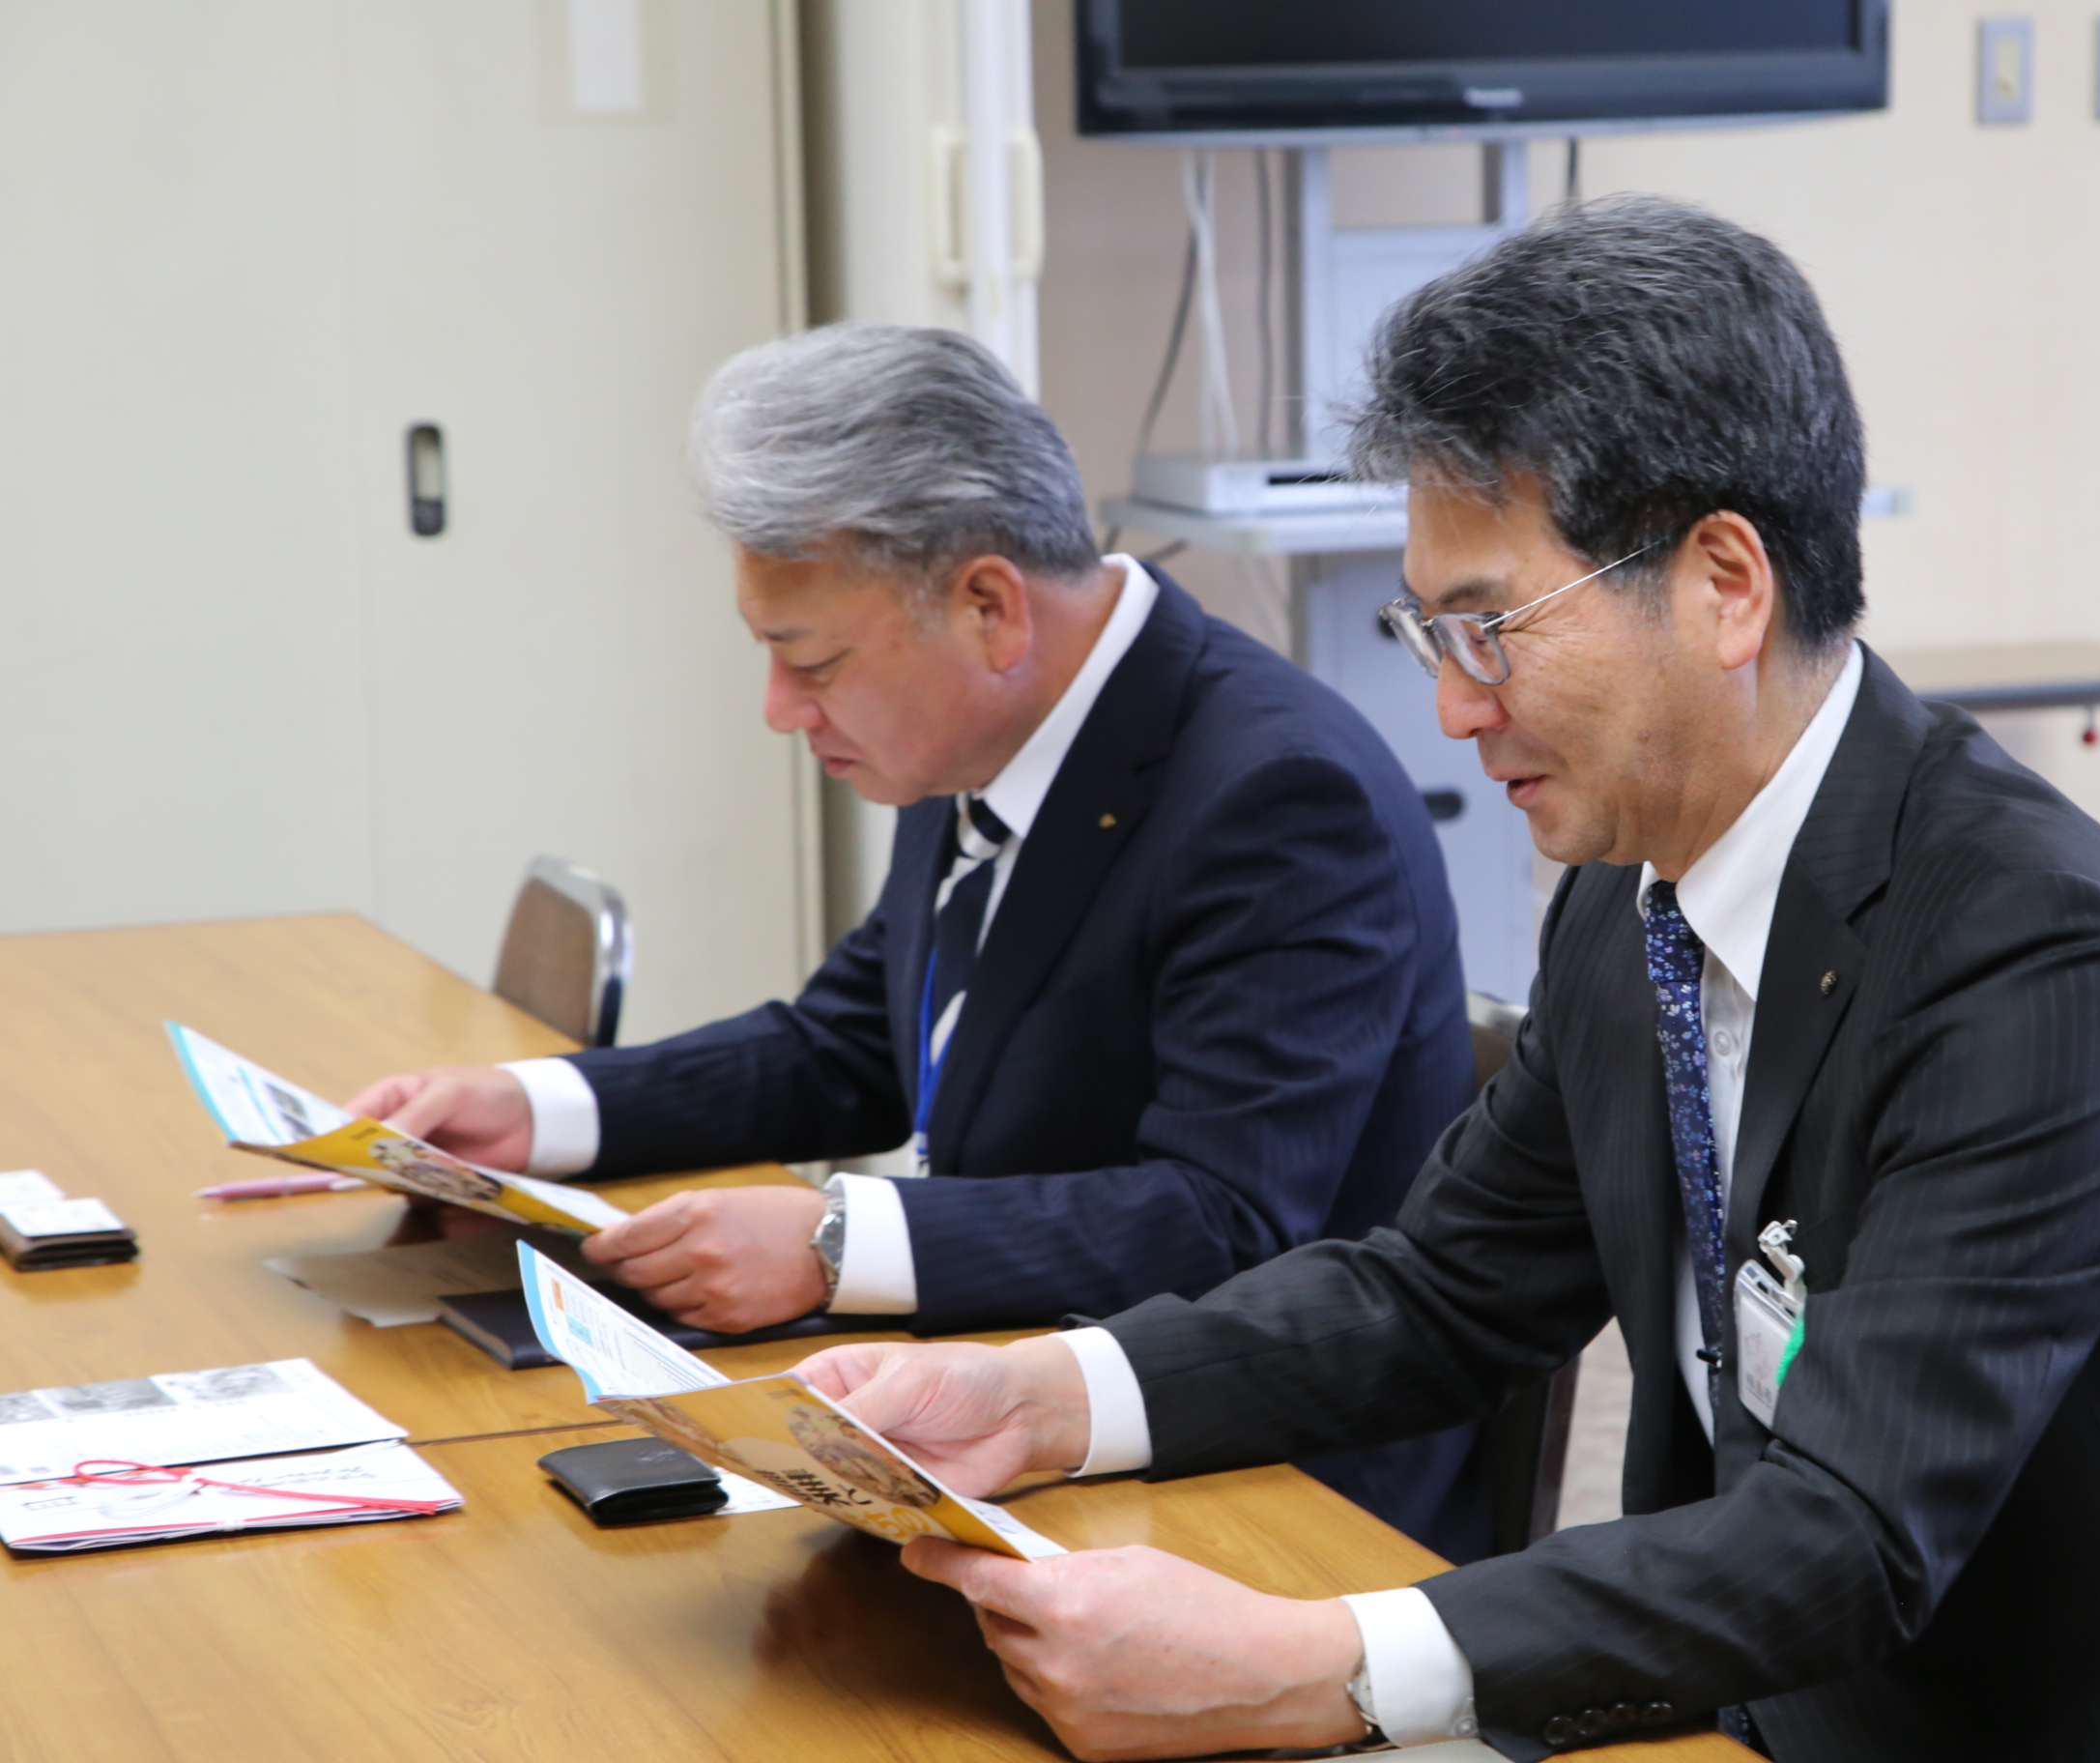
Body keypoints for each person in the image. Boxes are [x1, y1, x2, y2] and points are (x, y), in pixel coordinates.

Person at [788, 199, 2100, 1763]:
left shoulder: (2037, 953)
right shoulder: (1631, 892)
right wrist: (1038, 1395)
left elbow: (1852, 1531)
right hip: (1777, 1696)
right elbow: (1436, 1292)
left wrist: (1316, 1662)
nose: (1453, 707)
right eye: (1429, 636)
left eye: (1489, 626)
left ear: (1724, 583)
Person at [346, 324, 1484, 1556]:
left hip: (1270, 1495)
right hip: (1003, 1396)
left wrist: (834, 1244)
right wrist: (538, 1108)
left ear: (989, 606)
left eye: (812, 661)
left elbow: (1225, 1220)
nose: (781, 710)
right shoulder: (987, 728)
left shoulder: (1281, 795)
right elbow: (848, 1046)